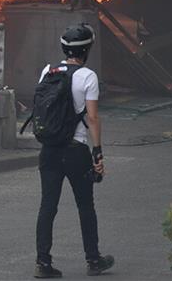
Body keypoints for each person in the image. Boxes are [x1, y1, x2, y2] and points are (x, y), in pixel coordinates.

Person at [34, 24, 114, 278]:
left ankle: (42, 263)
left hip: (48, 150)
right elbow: (92, 118)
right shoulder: (88, 76)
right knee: (85, 206)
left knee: (48, 206)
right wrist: (98, 151)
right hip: (75, 150)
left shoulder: (49, 70)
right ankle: (93, 260)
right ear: (87, 50)